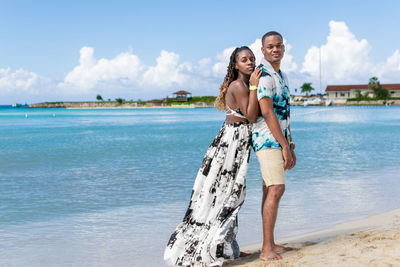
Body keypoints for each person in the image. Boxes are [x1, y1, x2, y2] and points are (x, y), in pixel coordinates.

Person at [164, 46, 262, 267]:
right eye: (244, 60)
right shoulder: (239, 86)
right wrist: (255, 86)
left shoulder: (244, 85)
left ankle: (226, 248)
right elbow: (252, 116)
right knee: (228, 195)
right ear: (235, 65)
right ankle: (210, 248)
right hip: (230, 148)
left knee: (230, 194)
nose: (250, 63)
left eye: (252, 59)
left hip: (234, 146)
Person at [251, 31, 296, 261]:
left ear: (284, 48)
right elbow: (267, 112)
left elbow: (285, 112)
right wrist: (283, 146)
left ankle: (270, 243)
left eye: (278, 46)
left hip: (278, 139)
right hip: (266, 139)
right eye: (270, 47)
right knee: (277, 188)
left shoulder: (281, 75)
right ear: (263, 50)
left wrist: (290, 143)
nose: (275, 50)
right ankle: (266, 248)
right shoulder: (265, 75)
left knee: (270, 189)